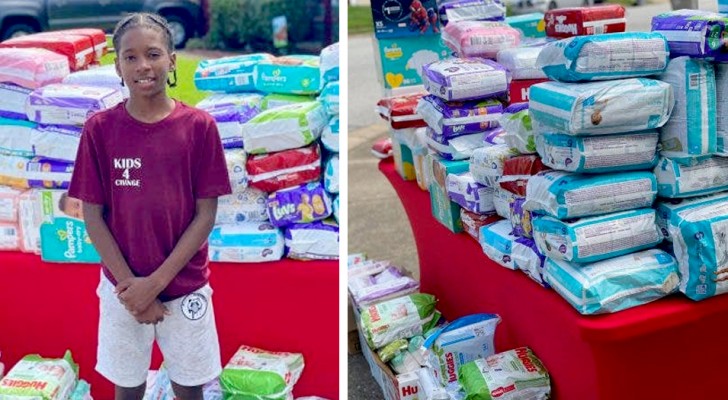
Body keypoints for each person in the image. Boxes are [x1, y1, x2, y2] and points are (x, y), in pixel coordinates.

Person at [68, 12, 232, 400]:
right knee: (127, 387)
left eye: (154, 54)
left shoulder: (199, 127)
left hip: (185, 285)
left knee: (190, 387)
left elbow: (205, 215)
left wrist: (155, 286)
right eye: (131, 57)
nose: (143, 66)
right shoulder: (100, 130)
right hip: (120, 288)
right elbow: (92, 215)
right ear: (118, 67)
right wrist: (132, 291)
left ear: (172, 60)